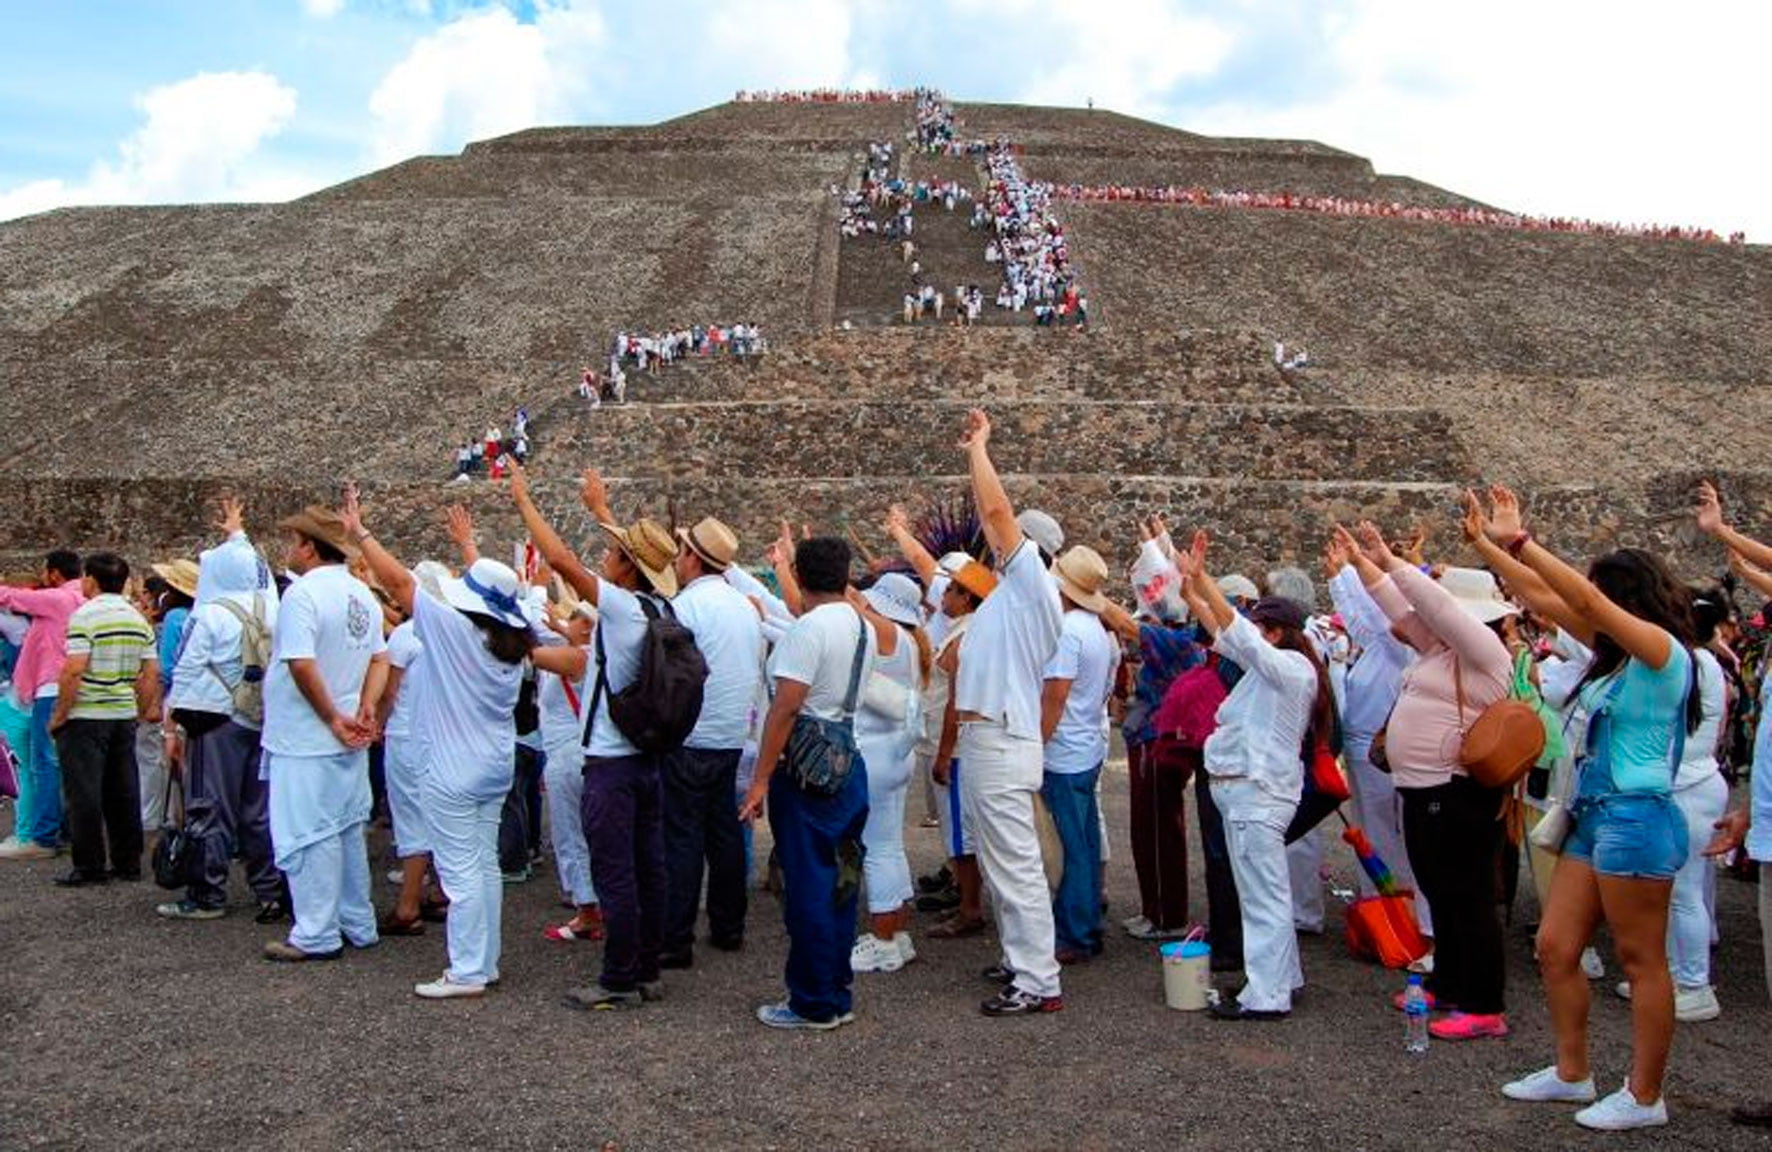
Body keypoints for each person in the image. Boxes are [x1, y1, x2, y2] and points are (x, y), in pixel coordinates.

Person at [1464, 487, 1695, 1130]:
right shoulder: (1613, 662)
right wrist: (1487, 547)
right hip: (1593, 815)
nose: (1583, 600)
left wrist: (1522, 541)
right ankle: (1572, 1073)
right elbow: (1547, 600)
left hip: (1637, 816)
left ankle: (1645, 1095)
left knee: (1642, 958)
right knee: (1555, 946)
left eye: (1597, 592)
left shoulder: (1661, 655)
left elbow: (1581, 600)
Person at [342, 487, 539, 998]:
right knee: (484, 864)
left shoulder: (451, 630)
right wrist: (470, 547)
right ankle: (484, 961)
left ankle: (468, 969)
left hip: (452, 766)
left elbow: (400, 583)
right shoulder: (512, 642)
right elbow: (494, 596)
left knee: (460, 870)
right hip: (494, 760)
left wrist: (362, 532)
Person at [511, 462, 680, 1009]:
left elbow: (561, 559)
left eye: (613, 555)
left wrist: (524, 503)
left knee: (615, 872)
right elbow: (637, 557)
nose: (605, 560)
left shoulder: (623, 608)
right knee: (649, 867)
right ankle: (648, 967)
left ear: (626, 570)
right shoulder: (661, 606)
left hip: (611, 759)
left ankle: (617, 979)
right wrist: (601, 510)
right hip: (648, 755)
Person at [1341, 521, 1514, 1041]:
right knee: (1439, 890)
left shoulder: (1483, 652)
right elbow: (1398, 608)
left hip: (1456, 791)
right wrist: (1364, 560)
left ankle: (1485, 1003)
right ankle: (1449, 980)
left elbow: (1435, 608)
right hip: (1423, 789)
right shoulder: (1440, 650)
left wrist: (1397, 565)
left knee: (1468, 897)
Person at [1174, 531, 1329, 1020]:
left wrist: (1204, 581)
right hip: (1249, 793)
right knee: (1263, 890)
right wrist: (1193, 593)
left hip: (1257, 794)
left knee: (1263, 896)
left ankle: (1267, 994)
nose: (1250, 632)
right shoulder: (1274, 666)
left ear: (1277, 633)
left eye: (1259, 625)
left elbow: (1236, 632)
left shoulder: (1291, 669)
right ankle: (1284, 978)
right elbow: (1228, 637)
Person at [952, 409, 1066, 1016]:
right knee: (1002, 860)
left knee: (1015, 863)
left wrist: (979, 449)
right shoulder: (1011, 595)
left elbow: (996, 516)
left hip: (1000, 736)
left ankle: (1038, 980)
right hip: (988, 737)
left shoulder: (1031, 587)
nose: (998, 543)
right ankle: (1024, 960)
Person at [738, 536, 874, 1029]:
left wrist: (760, 780)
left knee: (809, 885)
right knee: (841, 880)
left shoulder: (808, 629)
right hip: (846, 759)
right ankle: (835, 989)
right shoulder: (860, 625)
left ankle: (812, 1000)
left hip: (808, 767)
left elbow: (787, 706)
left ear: (800, 572)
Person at [260, 503, 389, 963]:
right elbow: (379, 658)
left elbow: (300, 662)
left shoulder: (302, 595)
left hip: (309, 735)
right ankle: (356, 919)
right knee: (346, 828)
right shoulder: (362, 594)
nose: (291, 550)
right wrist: (366, 706)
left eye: (295, 542)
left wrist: (333, 714)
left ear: (309, 548)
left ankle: (316, 930)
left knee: (307, 832)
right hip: (348, 732)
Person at [157, 498, 285, 922]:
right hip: (262, 714)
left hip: (215, 718)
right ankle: (269, 889)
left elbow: (188, 670)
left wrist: (172, 728)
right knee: (259, 809)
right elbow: (255, 566)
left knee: (209, 806)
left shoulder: (210, 613)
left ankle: (207, 893)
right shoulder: (271, 606)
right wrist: (237, 532)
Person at [660, 517, 763, 968]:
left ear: (691, 558)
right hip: (730, 734)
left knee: (682, 839)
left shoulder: (685, 607)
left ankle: (675, 938)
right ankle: (728, 926)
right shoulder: (744, 606)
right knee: (723, 835)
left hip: (691, 734)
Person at [48, 553, 160, 887]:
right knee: (123, 789)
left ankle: (89, 864)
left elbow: (74, 669)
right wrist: (140, 709)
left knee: (83, 792)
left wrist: (60, 714)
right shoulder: (138, 618)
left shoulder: (84, 617)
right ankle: (127, 862)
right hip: (122, 711)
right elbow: (151, 672)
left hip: (87, 712)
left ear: (92, 580)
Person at [1040, 545, 1119, 962]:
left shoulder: (1068, 632)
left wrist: (1034, 745)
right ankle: (1084, 922)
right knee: (1083, 842)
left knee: (1069, 846)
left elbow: (1055, 696)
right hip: (1085, 744)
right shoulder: (1095, 628)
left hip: (1065, 750)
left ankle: (1076, 932)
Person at [849, 571, 927, 974]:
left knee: (876, 848)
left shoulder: (885, 633)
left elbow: (850, 608)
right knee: (890, 845)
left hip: (875, 752)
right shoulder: (912, 641)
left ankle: (882, 940)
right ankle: (895, 933)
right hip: (896, 752)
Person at [0, 550, 85, 861]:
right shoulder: (86, 599)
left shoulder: (58, 599)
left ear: (54, 573)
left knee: (43, 764)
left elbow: (9, 597)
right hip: (77, 688)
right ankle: (62, 829)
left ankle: (43, 835)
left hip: (50, 687)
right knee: (64, 764)